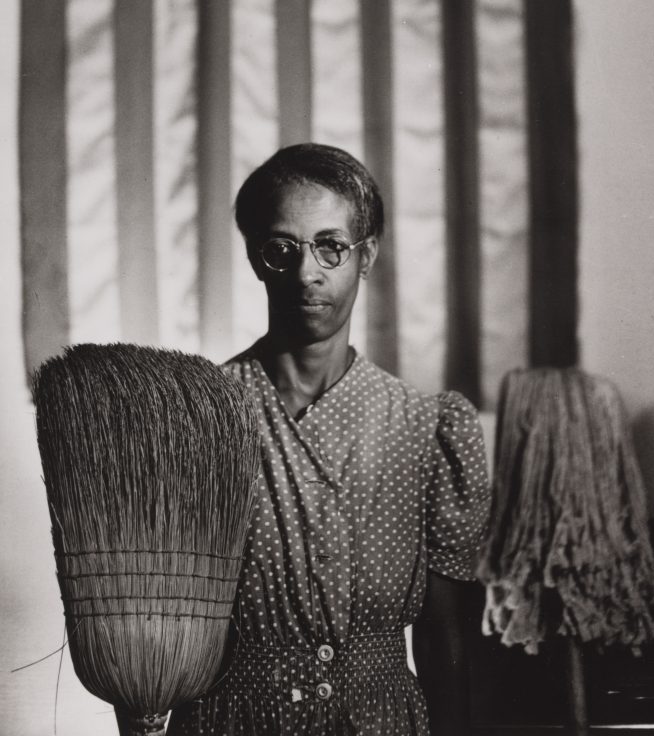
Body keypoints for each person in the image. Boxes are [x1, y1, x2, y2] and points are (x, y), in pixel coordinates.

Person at [167, 143, 490, 736]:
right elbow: (162, 625)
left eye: (330, 247)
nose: (306, 272)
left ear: (365, 256)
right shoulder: (199, 417)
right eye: (282, 248)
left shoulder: (423, 428)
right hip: (233, 721)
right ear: (256, 258)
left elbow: (446, 638)